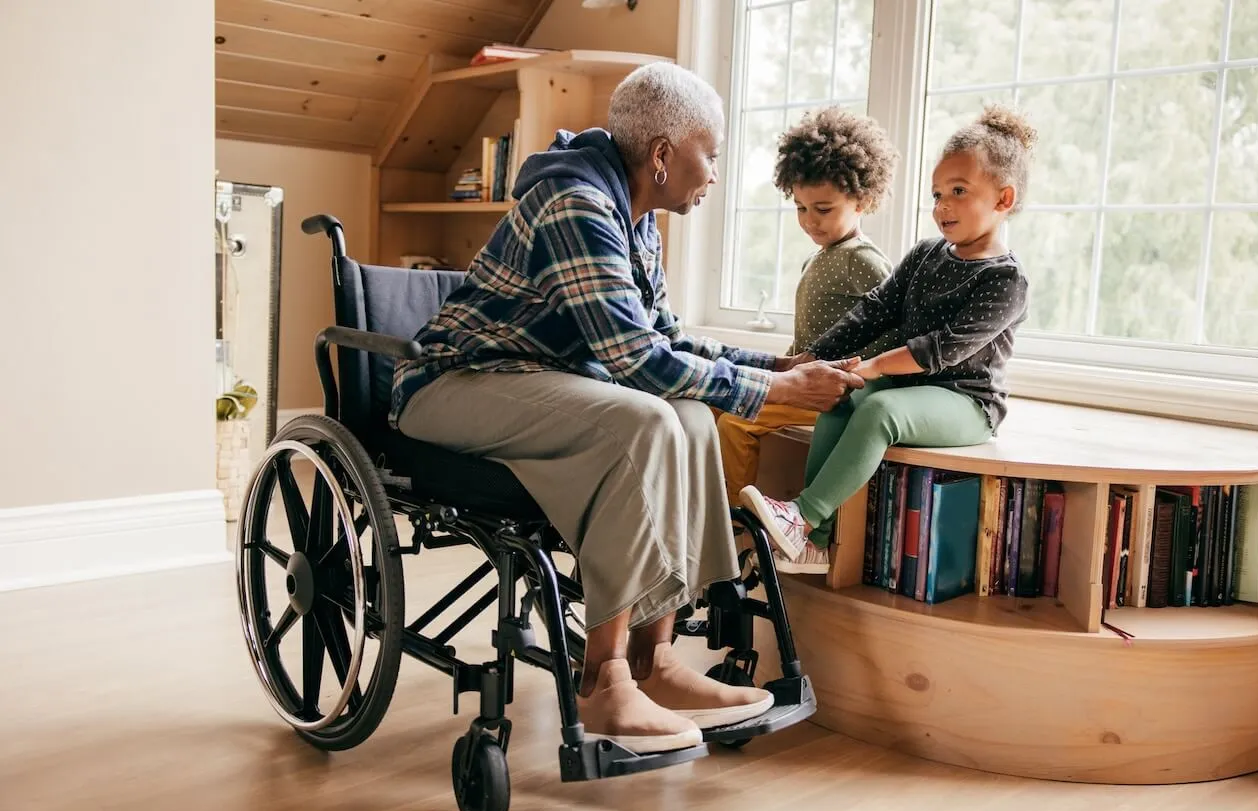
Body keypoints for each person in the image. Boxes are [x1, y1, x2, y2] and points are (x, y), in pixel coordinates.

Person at [390, 62, 864, 754]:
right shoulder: (578, 203)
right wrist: (780, 393)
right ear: (664, 154)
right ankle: (604, 678)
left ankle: (655, 657)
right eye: (713, 154)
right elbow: (633, 362)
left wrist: (776, 366)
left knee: (696, 416)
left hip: (535, 381)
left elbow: (664, 340)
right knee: (641, 417)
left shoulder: (636, 219)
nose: (715, 174)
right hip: (451, 384)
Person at [740, 105, 1037, 573]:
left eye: (959, 192)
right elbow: (874, 310)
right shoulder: (926, 254)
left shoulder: (1005, 280)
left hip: (967, 401)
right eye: (937, 193)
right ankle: (812, 542)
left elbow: (944, 349)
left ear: (1003, 199)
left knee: (878, 408)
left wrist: (875, 367)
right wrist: (817, 356)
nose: (942, 205)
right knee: (843, 394)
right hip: (912, 388)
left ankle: (804, 516)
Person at [714, 107, 903, 537]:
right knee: (713, 405)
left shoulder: (865, 261)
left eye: (822, 209)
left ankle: (737, 530)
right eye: (800, 208)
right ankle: (713, 512)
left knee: (736, 420)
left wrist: (860, 377)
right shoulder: (821, 256)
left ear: (864, 200)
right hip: (805, 381)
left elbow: (897, 328)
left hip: (834, 392)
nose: (809, 221)